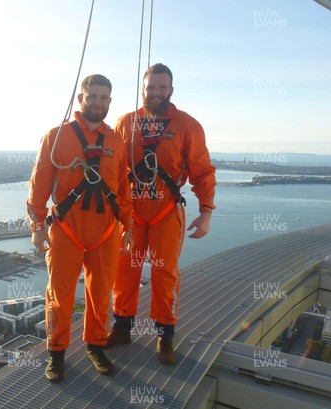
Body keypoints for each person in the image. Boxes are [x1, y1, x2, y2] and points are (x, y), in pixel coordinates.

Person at [105, 63, 216, 366]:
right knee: (124, 270)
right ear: (142, 90)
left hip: (166, 211)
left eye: (161, 88)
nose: (155, 93)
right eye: (150, 88)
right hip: (131, 213)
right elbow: (111, 167)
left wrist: (205, 211)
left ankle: (165, 335)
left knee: (164, 273)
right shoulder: (126, 123)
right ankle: (122, 327)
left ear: (171, 91)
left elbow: (203, 172)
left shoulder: (186, 126)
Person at [27, 74, 134, 382]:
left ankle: (96, 346)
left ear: (110, 102)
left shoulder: (116, 142)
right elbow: (39, 186)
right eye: (93, 96)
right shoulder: (57, 137)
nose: (98, 102)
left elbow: (123, 190)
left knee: (100, 294)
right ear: (81, 99)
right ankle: (56, 353)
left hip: (105, 231)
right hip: (66, 229)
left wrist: (127, 227)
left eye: (104, 98)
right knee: (60, 295)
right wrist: (36, 226)